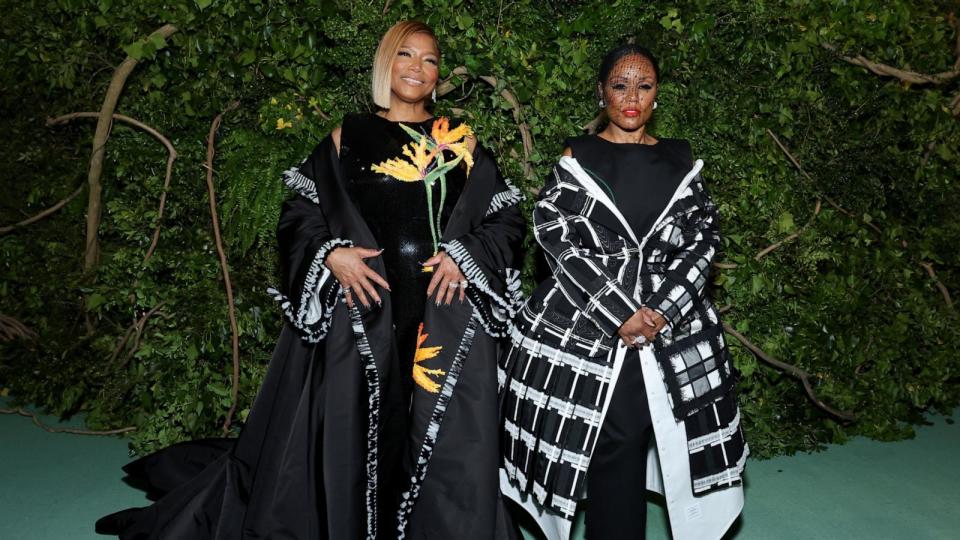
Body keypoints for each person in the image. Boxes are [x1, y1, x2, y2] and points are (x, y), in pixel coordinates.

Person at [96, 20, 524, 540]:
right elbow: (300, 214)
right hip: (364, 312)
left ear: (438, 74)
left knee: (432, 433)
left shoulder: (462, 142)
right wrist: (333, 255)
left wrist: (465, 255)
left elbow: (504, 217)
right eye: (405, 55)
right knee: (363, 434)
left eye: (429, 59)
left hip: (442, 314)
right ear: (385, 65)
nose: (416, 67)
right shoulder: (348, 137)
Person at [498, 44, 747, 540]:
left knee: (646, 439)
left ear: (658, 93)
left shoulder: (681, 157)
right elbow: (556, 237)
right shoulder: (578, 155)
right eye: (619, 85)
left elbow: (704, 240)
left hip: (668, 332)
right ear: (601, 92)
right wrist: (620, 313)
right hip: (589, 330)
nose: (631, 97)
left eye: (645, 85)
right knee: (614, 444)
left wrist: (659, 311)